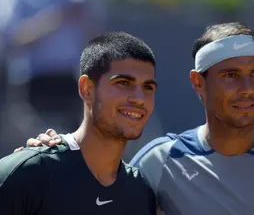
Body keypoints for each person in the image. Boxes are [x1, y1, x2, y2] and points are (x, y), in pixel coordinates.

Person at [14, 22, 254, 215]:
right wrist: (44, 154)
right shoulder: (158, 162)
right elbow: (95, 183)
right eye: (230, 76)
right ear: (198, 83)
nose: (247, 89)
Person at [0, 32, 158, 215]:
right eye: (123, 83)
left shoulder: (141, 191)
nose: (139, 98)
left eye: (148, 87)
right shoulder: (28, 173)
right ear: (87, 89)